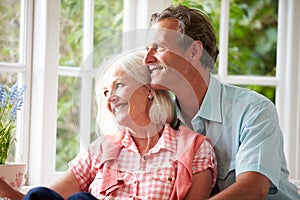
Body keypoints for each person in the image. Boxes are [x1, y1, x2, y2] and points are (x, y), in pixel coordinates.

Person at [0, 52, 217, 200]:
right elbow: (46, 199)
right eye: (105, 92)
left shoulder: (195, 149)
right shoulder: (102, 150)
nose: (110, 98)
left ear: (149, 89)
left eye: (119, 86)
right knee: (43, 195)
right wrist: (8, 191)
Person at [143, 4, 300, 200]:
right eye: (147, 49)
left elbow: (253, 189)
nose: (147, 59)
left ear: (193, 51)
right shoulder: (162, 121)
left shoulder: (254, 110)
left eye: (159, 48)